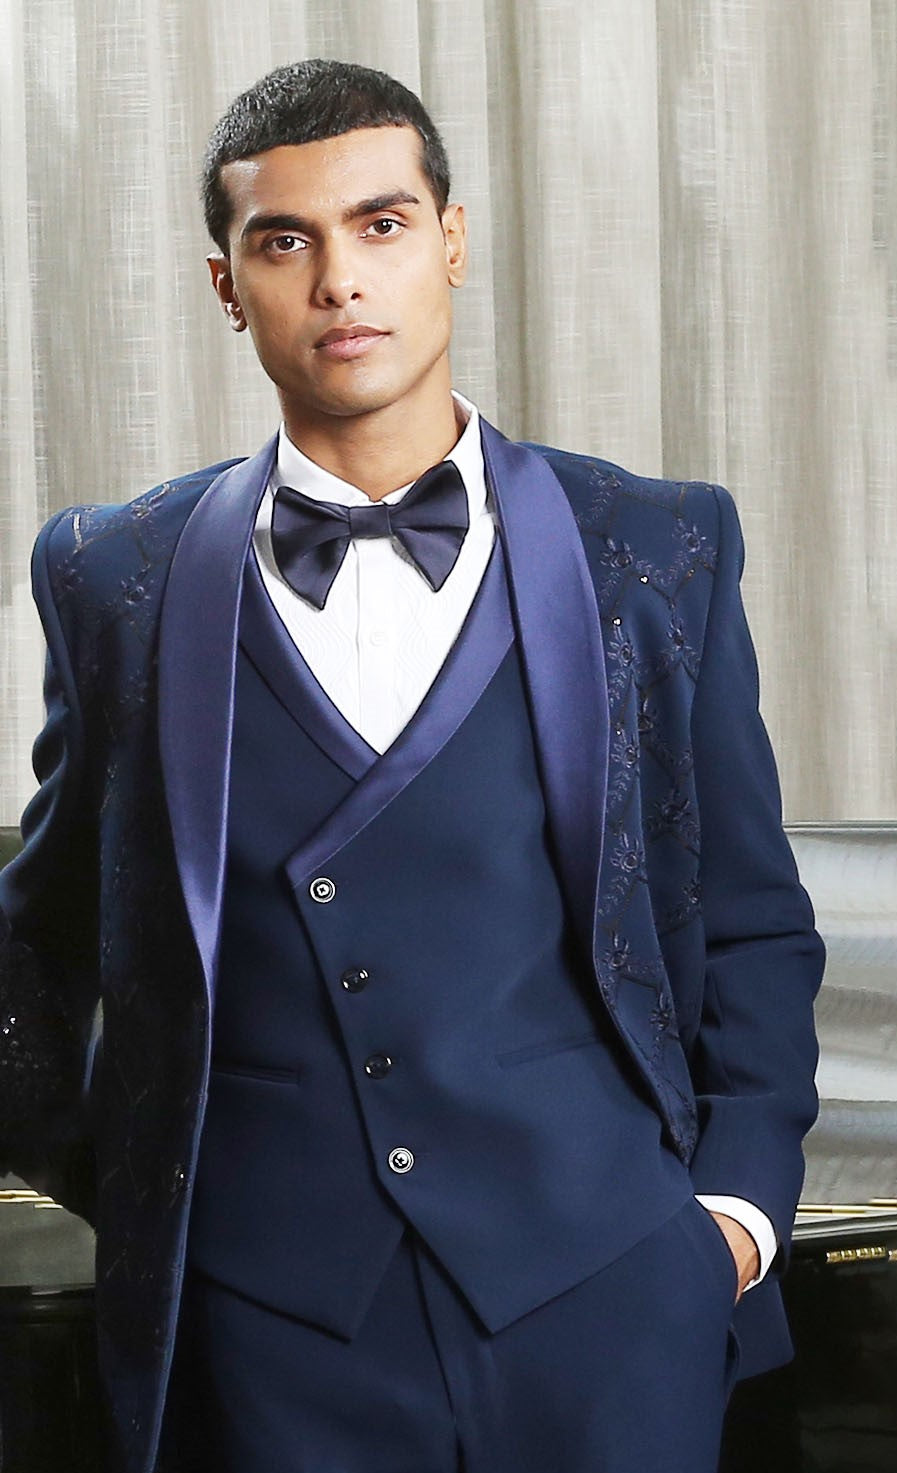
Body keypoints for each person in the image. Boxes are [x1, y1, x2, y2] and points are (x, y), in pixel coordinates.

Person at [0, 58, 824, 1473]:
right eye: (285, 242)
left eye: (380, 225)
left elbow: (751, 917)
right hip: (270, 1333)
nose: (340, 280)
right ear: (226, 284)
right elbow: (39, 943)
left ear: (449, 241)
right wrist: (152, 1196)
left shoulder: (654, 547)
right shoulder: (113, 574)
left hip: (610, 1301)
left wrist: (732, 1221)